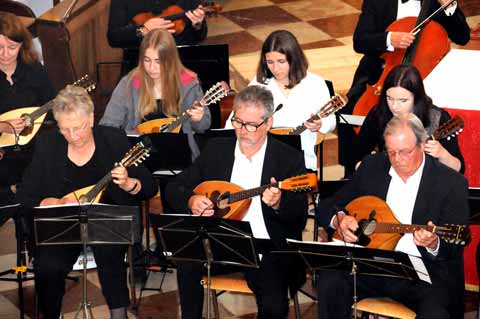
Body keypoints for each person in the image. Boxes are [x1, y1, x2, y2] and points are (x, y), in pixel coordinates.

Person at [165, 85, 308, 319]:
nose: (242, 131)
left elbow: (299, 216)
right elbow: (174, 187)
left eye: (251, 125)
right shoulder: (217, 150)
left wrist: (279, 203)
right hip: (220, 240)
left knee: (274, 305)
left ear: (269, 122)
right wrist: (191, 199)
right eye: (238, 122)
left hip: (267, 247)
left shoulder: (288, 159)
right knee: (187, 263)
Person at [16, 85, 158, 319]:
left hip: (107, 227)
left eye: (79, 128)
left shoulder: (113, 141)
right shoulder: (47, 146)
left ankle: (118, 314)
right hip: (62, 229)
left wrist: (128, 183)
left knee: (109, 252)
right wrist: (46, 201)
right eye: (65, 130)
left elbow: (149, 186)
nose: (73, 136)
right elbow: (23, 197)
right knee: (47, 265)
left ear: (91, 118)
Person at [316, 113, 469, 319]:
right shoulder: (373, 166)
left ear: (423, 144)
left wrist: (434, 243)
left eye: (405, 152)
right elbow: (328, 206)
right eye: (391, 152)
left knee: (436, 312)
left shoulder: (450, 182)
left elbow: (456, 244)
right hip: (371, 266)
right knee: (330, 280)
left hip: (423, 274)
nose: (398, 160)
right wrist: (339, 220)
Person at [338, 0, 471, 175]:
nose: (394, 105)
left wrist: (449, 7)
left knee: (435, 114)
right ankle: (351, 174)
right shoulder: (377, 2)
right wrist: (389, 39)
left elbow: (462, 37)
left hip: (423, 77)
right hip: (382, 72)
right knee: (347, 111)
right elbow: (360, 41)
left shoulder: (435, 3)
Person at [225, 30, 336, 171]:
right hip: (262, 158)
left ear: (294, 58)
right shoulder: (259, 84)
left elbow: (331, 121)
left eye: (281, 62)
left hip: (301, 159)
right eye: (270, 62)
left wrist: (320, 124)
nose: (275, 69)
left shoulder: (315, 84)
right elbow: (234, 120)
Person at [100, 28, 211, 159]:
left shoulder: (187, 83)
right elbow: (107, 125)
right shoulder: (130, 83)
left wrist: (198, 119)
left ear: (170, 60)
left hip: (180, 157)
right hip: (139, 159)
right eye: (147, 60)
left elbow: (203, 127)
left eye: (158, 62)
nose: (152, 68)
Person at [355, 64, 464, 173]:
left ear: (416, 98)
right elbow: (356, 155)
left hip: (426, 186)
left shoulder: (438, 118)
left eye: (403, 100)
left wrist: (442, 154)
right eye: (389, 98)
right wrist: (368, 165)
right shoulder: (379, 113)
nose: (394, 106)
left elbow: (459, 170)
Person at [0, 12, 55, 206]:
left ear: (22, 45)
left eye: (12, 47)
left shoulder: (34, 70)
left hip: (32, 149)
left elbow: (52, 107)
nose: (5, 54)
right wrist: (2, 126)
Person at [108, 0, 208, 73]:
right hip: (140, 69)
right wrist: (143, 30)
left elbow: (200, 36)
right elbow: (113, 37)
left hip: (179, 66)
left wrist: (197, 25)